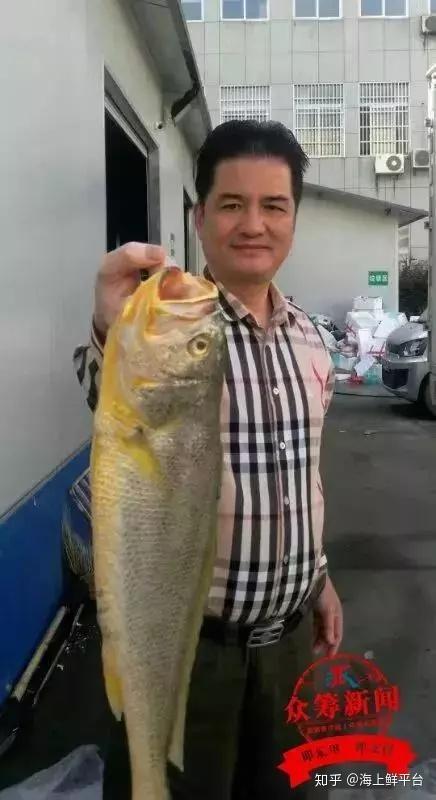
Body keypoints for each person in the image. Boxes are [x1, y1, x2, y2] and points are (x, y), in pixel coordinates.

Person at [73, 119, 343, 800]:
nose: (253, 224)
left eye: (273, 205)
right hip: (188, 647)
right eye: (231, 204)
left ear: (294, 218)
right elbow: (112, 403)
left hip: (290, 646)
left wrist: (319, 577)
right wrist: (109, 329)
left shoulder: (312, 339)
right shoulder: (170, 322)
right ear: (199, 218)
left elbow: (299, 474)